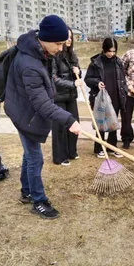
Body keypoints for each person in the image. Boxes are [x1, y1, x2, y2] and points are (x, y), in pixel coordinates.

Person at [4, 15, 81, 220]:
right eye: (58, 43)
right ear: (45, 38)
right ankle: (38, 200)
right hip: (23, 113)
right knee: (35, 157)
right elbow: (42, 104)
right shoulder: (29, 63)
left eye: (63, 43)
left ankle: (26, 191)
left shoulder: (39, 51)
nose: (60, 48)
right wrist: (70, 120)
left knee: (29, 154)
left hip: (26, 109)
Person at [85, 37, 127, 158]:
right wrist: (97, 82)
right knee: (101, 122)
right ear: (104, 49)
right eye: (109, 51)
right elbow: (87, 79)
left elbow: (122, 79)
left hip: (116, 96)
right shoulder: (95, 63)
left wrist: (124, 91)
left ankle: (112, 147)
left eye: (114, 51)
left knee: (113, 122)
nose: (111, 54)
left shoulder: (118, 62)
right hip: (100, 98)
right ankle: (99, 148)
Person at [52, 27, 82, 166]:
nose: (69, 40)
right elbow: (54, 78)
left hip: (71, 96)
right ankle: (60, 156)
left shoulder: (73, 55)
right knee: (60, 128)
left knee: (74, 123)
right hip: (58, 97)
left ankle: (72, 151)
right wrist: (72, 83)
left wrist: (78, 71)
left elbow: (77, 75)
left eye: (71, 37)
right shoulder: (55, 56)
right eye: (67, 37)